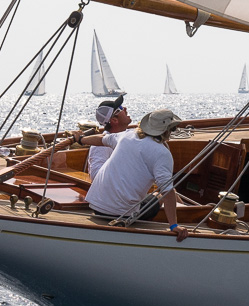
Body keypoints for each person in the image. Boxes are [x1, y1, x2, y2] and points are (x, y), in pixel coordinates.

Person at [75, 109, 189, 241]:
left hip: (96, 206)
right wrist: (174, 225)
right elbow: (167, 191)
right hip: (121, 215)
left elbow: (101, 139)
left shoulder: (126, 135)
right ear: (168, 130)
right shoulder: (162, 153)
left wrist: (81, 139)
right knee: (161, 194)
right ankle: (190, 210)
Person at [85, 95, 130, 180]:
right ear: (114, 120)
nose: (125, 108)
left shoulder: (128, 136)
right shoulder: (100, 146)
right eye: (120, 108)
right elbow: (96, 176)